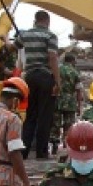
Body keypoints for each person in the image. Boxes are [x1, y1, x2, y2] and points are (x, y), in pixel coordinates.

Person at [14, 10, 61, 160]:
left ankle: (24, 151)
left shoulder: (25, 35)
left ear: (35, 20)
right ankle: (41, 152)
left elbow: (12, 47)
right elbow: (52, 57)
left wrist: (3, 38)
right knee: (45, 116)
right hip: (45, 77)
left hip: (30, 78)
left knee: (30, 116)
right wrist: (57, 81)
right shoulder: (50, 36)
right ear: (47, 21)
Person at [54, 53, 82, 152]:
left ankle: (54, 144)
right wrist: (79, 106)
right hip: (70, 102)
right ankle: (66, 144)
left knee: (55, 123)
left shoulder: (57, 70)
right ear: (72, 61)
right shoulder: (75, 72)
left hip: (57, 100)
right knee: (69, 124)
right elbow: (78, 90)